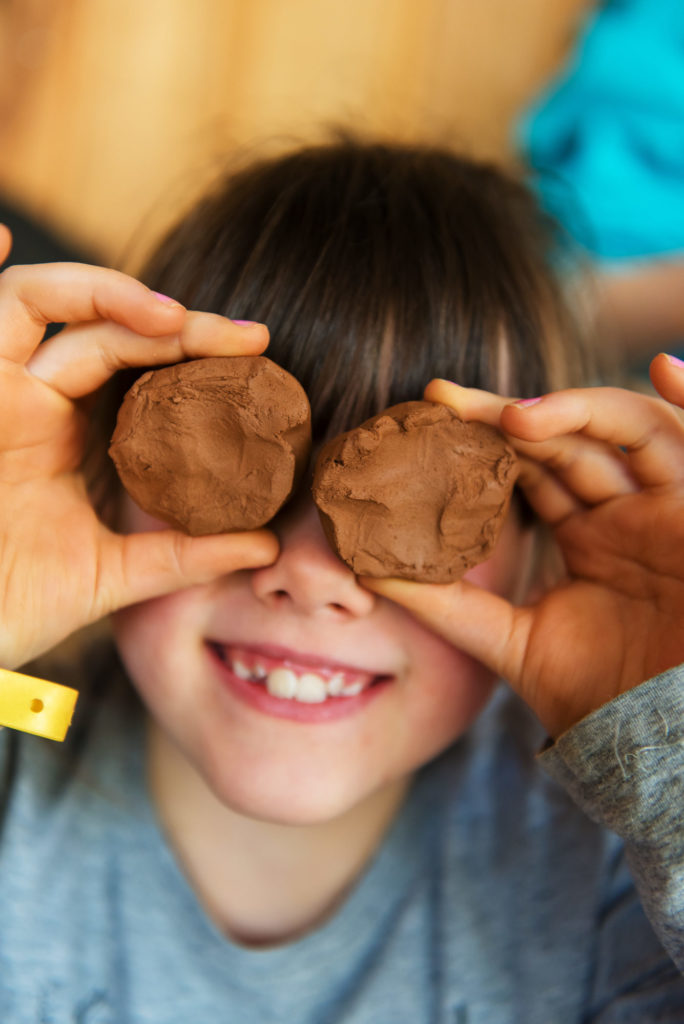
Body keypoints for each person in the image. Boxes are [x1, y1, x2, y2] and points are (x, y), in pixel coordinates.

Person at [1, 137, 683, 1023]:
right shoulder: (19, 746)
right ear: (111, 476)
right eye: (232, 473)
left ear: (539, 549)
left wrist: (669, 753)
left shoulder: (616, 876)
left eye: (423, 506)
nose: (312, 575)